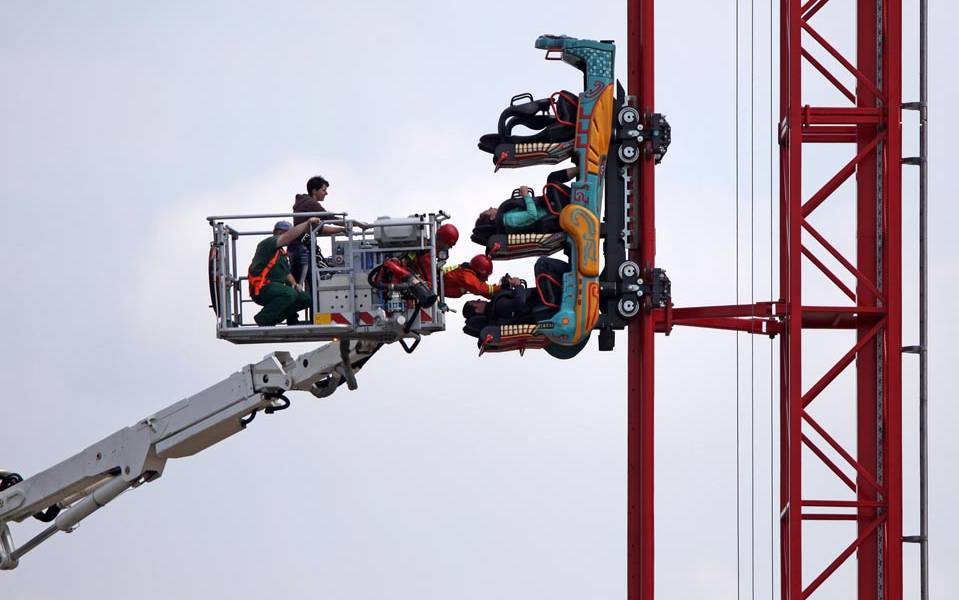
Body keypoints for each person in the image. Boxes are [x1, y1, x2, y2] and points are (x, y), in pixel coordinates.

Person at [461, 257, 569, 337]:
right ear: (477, 310)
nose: (479, 299)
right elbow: (519, 302)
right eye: (476, 301)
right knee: (542, 263)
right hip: (547, 300)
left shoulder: (496, 315)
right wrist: (517, 285)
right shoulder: (497, 306)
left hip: (544, 304)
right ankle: (572, 271)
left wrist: (506, 286)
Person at [472, 166, 578, 245]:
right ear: (492, 217)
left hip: (550, 209)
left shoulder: (506, 218)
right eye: (488, 210)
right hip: (553, 212)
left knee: (552, 180)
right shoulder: (507, 219)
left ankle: (580, 172)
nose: (491, 207)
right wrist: (526, 195)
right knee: (552, 178)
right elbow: (532, 215)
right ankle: (582, 169)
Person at [248, 218, 321, 326]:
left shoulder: (281, 252)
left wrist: (294, 284)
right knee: (289, 294)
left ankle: (273, 319)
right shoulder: (269, 243)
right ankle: (263, 318)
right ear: (278, 232)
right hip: (262, 288)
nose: (291, 237)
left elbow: (286, 273)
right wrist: (307, 223)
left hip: (276, 288)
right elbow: (289, 236)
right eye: (287, 233)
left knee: (305, 299)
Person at [291, 175, 346, 287]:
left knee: (303, 280)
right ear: (314, 191)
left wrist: (341, 230)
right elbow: (330, 218)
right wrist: (354, 224)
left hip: (299, 246)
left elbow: (319, 228)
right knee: (313, 280)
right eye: (323, 190)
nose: (326, 193)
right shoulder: (310, 203)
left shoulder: (304, 203)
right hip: (303, 247)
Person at [442, 254, 520, 299]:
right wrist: (501, 287)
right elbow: (479, 288)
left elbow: (484, 291)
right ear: (480, 271)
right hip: (435, 285)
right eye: (486, 275)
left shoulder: (468, 273)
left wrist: (498, 294)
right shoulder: (465, 275)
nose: (486, 279)